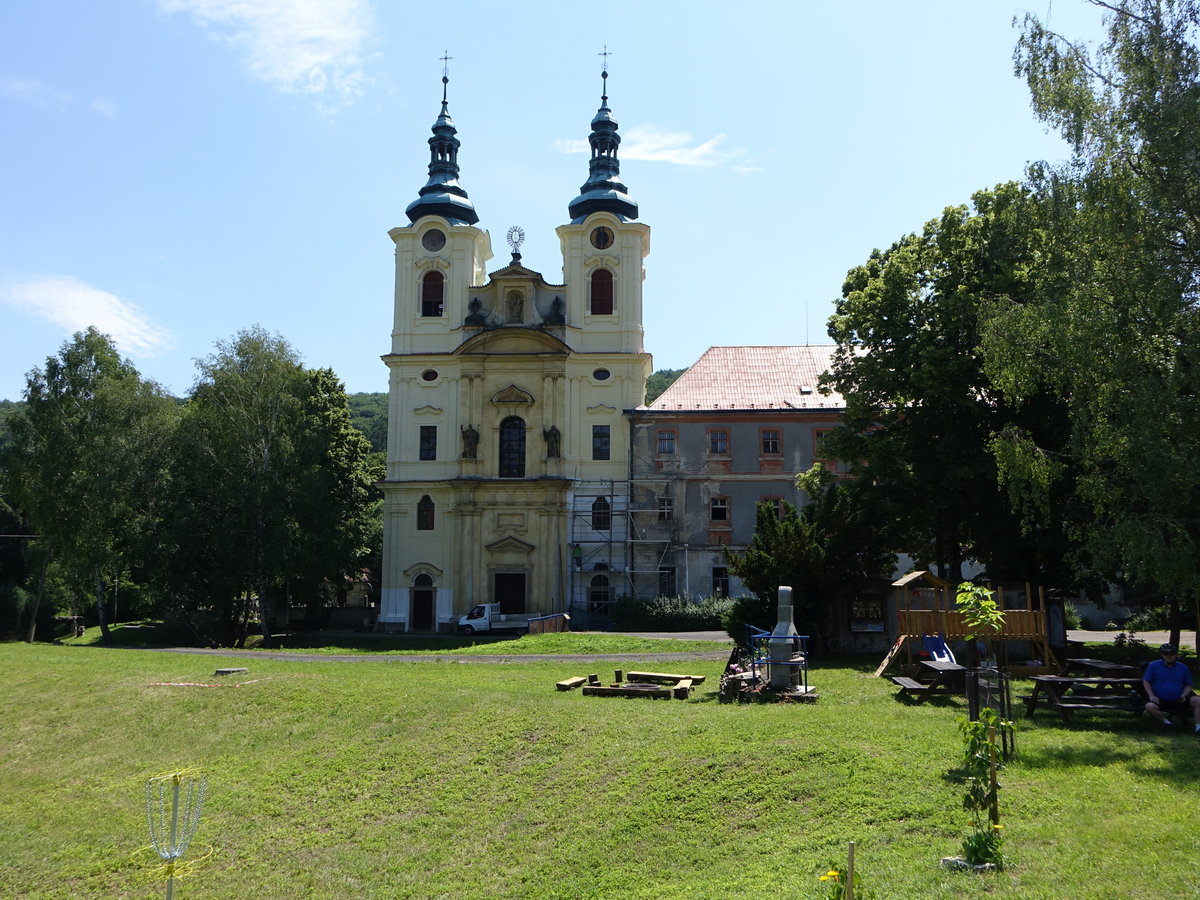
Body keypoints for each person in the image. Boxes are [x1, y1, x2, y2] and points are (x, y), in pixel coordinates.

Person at [1142, 643, 1200, 733]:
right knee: (1149, 706)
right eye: (1166, 654)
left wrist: (1183, 695)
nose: (1169, 656)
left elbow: (1188, 684)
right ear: (1162, 655)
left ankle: (1198, 727)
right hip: (1161, 699)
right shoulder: (1153, 666)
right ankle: (1166, 723)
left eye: (1171, 653)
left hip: (1180, 699)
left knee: (1198, 700)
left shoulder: (1183, 667)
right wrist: (1151, 695)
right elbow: (1146, 681)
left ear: (1175, 654)